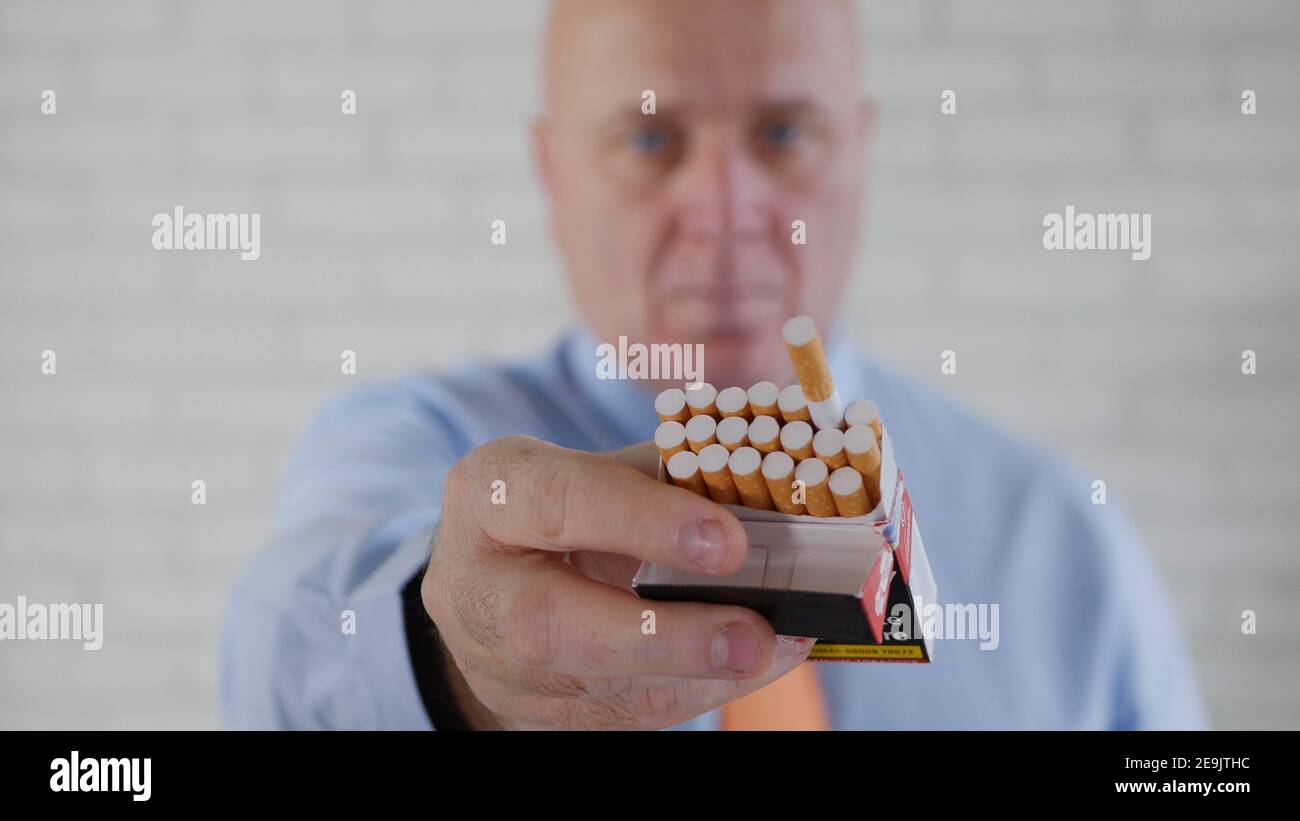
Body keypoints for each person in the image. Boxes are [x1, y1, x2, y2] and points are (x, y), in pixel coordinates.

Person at [220, 0, 1206, 730]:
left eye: (784, 133)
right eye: (649, 138)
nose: (727, 212)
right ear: (552, 177)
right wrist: (454, 655)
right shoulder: (407, 441)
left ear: (858, 152)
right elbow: (291, 643)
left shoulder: (1060, 535)